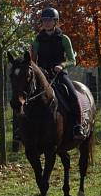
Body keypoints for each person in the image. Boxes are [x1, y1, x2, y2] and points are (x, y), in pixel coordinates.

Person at [29, 7, 84, 140]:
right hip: (43, 76)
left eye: (49, 20)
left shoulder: (64, 39)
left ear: (55, 21)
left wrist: (62, 65)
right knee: (25, 97)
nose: (46, 23)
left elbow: (72, 60)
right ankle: (20, 129)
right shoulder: (37, 40)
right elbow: (32, 61)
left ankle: (78, 125)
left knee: (72, 95)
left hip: (59, 74)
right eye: (44, 20)